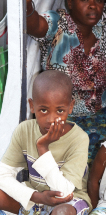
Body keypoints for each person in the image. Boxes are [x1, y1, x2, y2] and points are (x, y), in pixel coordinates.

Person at [21, 0, 106, 165]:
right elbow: (35, 26)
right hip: (60, 120)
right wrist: (27, 5)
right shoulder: (59, 24)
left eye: (98, 0)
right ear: (70, 3)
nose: (93, 5)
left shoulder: (104, 23)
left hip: (99, 117)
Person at [0, 70, 91, 215]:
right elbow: (2, 175)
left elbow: (64, 192)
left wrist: (43, 148)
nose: (51, 119)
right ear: (32, 105)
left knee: (62, 213)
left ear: (71, 107)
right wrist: (36, 196)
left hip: (69, 201)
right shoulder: (24, 130)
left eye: (60, 111)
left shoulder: (79, 138)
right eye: (43, 110)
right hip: (36, 198)